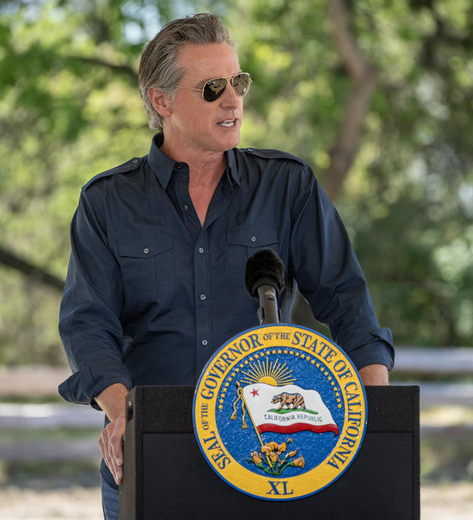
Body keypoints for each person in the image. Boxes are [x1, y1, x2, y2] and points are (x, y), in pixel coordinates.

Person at [58, 13, 394, 520]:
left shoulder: (288, 186)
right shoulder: (107, 203)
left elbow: (346, 299)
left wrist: (380, 411)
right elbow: (87, 324)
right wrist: (121, 411)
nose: (233, 99)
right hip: (152, 448)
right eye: (213, 87)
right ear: (161, 100)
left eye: (239, 82)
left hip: (270, 454)